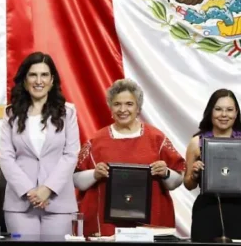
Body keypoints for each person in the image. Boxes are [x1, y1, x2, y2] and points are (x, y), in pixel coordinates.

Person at [73, 79, 185, 237]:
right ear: (110, 107)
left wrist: (165, 172)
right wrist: (95, 174)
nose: (122, 109)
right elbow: (77, 180)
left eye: (129, 104)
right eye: (117, 104)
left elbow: (177, 179)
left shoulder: (156, 138)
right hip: (107, 226)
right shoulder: (96, 140)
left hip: (150, 222)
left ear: (138, 107)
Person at [0, 52, 79, 238]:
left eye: (44, 75)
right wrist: (29, 191)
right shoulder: (11, 113)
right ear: (24, 80)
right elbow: (6, 157)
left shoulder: (68, 112)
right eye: (33, 75)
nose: (38, 80)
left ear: (52, 80)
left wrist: (47, 189)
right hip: (20, 203)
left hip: (58, 202)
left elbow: (70, 155)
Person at [184, 89, 241, 242]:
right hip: (206, 209)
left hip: (239, 209)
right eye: (218, 109)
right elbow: (188, 184)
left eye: (229, 110)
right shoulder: (196, 142)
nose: (224, 115)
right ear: (210, 111)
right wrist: (194, 174)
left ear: (236, 113)